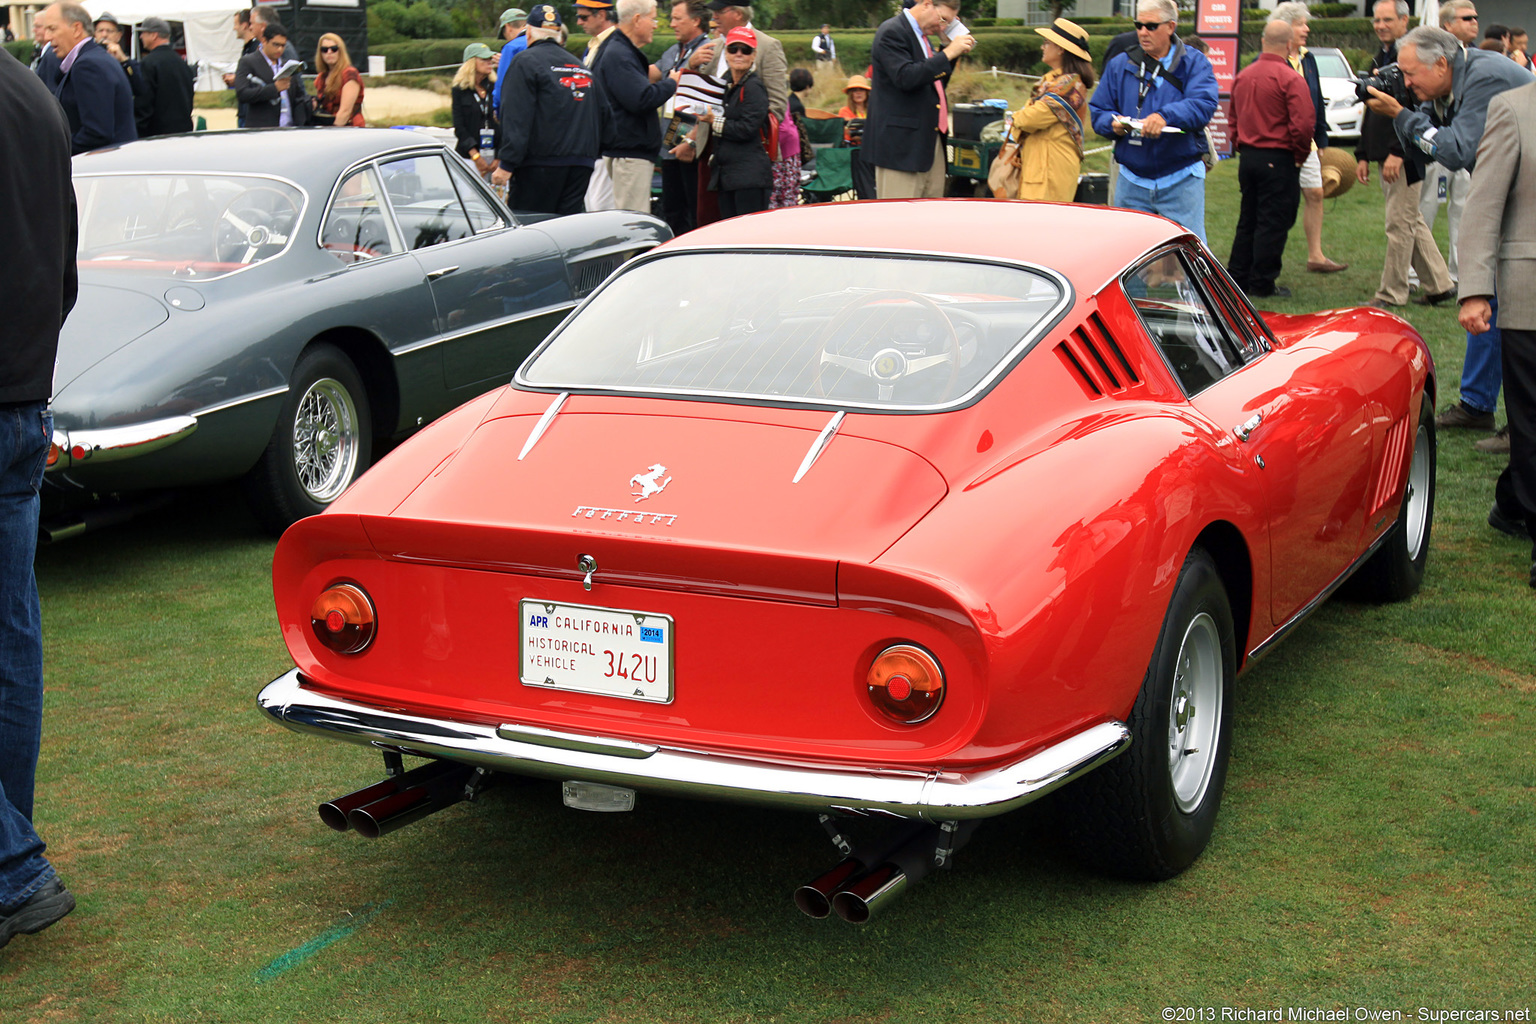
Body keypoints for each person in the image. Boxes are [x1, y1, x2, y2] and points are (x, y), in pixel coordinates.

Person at [0, 44, 78, 953]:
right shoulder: (33, 95)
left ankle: (12, 863)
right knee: (11, 641)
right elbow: (63, 271)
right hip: (23, 400)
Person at [1366, 25, 1531, 442]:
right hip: (1507, 189)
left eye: (1410, 74)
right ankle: (1478, 406)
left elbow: (1457, 150)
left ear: (1442, 63)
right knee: (1488, 299)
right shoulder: (1457, 76)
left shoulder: (1485, 77)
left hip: (1523, 202)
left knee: (1514, 310)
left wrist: (1402, 115)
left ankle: (1521, 422)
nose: (1406, 83)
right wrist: (1409, 107)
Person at [1456, 80, 1536, 584]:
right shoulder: (1513, 110)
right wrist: (1475, 289)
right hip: (1528, 294)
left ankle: (1512, 501)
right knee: (1530, 422)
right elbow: (1483, 207)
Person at [1088, 0, 1217, 243]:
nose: (1143, 32)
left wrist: (1166, 115)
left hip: (1181, 177)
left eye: (1151, 26)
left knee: (1191, 259)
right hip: (1131, 178)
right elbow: (1098, 110)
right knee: (1127, 259)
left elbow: (1204, 104)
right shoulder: (1120, 64)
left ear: (1170, 26)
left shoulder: (1195, 63)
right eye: (1139, 25)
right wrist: (1112, 123)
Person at [1356, 0, 1456, 311]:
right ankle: (1440, 285)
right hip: (1389, 152)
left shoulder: (1414, 59)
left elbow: (1420, 110)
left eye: (1387, 20)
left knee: (1399, 224)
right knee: (1410, 220)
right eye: (1377, 20)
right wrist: (1362, 153)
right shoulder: (1385, 56)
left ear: (1404, 21)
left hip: (1404, 154)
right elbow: (1373, 109)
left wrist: (1398, 153)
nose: (1381, 25)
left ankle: (1392, 292)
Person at [1226, 21, 1313, 299]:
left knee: (1248, 217)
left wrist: (1242, 145)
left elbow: (1233, 119)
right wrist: (1300, 155)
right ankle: (1262, 281)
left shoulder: (1243, 75)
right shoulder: (1289, 78)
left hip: (1249, 156)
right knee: (1272, 220)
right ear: (1289, 45)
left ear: (1262, 41)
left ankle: (1239, 275)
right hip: (1278, 157)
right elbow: (1303, 125)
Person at [493, 5, 606, 216]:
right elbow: (605, 116)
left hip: (539, 164)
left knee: (532, 229)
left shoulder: (524, 62)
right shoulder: (581, 67)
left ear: (528, 33)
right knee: (565, 231)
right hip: (581, 163)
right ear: (558, 35)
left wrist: (507, 163)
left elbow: (517, 116)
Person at [862, 0, 974, 199]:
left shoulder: (923, 37)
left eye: (948, 23)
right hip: (900, 149)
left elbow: (933, 85)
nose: (942, 26)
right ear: (927, 4)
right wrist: (948, 53)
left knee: (929, 219)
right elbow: (905, 78)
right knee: (899, 219)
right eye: (943, 19)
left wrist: (947, 47)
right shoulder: (892, 31)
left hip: (929, 142)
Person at [1272, 2, 1346, 274]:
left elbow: (1317, 100)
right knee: (1281, 202)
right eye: (1302, 23)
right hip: (1280, 146)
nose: (1307, 28)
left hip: (1309, 143)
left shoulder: (1309, 58)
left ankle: (1316, 255)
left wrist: (1322, 137)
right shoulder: (1273, 59)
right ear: (1286, 28)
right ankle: (1270, 259)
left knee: (1315, 193)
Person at [592, 0, 676, 214]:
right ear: (637, 19)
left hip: (626, 153)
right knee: (633, 223)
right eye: (653, 18)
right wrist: (671, 83)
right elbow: (641, 98)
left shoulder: (619, 49)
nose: (655, 25)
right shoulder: (619, 53)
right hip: (629, 155)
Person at [1005, 18, 1095, 203]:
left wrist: (1016, 117)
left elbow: (1030, 119)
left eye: (1047, 42)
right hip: (1040, 167)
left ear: (1061, 49)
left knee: (1042, 226)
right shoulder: (1054, 80)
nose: (1042, 47)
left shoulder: (1068, 86)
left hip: (1050, 171)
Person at [36, 2, 137, 154]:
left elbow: (97, 133)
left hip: (102, 168)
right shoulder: (93, 58)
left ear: (76, 28)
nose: (47, 37)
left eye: (52, 29)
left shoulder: (88, 65)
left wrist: (52, 150)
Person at [656, 0, 712, 233]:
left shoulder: (709, 50)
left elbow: (711, 99)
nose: (672, 24)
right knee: (672, 208)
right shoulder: (674, 50)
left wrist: (692, 139)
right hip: (670, 138)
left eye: (678, 18)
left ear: (696, 21)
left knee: (693, 210)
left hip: (691, 137)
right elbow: (655, 73)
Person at [708, 26, 771, 218]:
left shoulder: (754, 87)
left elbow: (747, 128)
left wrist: (714, 122)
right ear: (725, 53)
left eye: (745, 50)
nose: (739, 54)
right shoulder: (723, 84)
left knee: (751, 237)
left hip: (749, 178)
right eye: (733, 49)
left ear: (753, 55)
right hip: (727, 176)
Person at [236, 21, 309, 128]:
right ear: (264, 41)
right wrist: (274, 89)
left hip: (290, 128)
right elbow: (242, 93)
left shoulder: (287, 65)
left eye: (283, 45)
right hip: (263, 130)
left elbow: (298, 96)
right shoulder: (248, 61)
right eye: (276, 44)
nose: (279, 49)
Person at [135, 16, 194, 137]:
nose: (141, 37)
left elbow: (144, 102)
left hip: (157, 135)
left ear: (154, 35)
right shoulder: (181, 63)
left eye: (144, 33)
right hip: (183, 132)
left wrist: (139, 130)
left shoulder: (149, 63)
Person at [451, 43, 499, 178]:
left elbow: (505, 122)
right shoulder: (460, 90)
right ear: (471, 63)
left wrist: (500, 157)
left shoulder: (496, 87)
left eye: (490, 59)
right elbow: (459, 126)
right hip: (468, 156)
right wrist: (476, 156)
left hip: (496, 157)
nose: (489, 62)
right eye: (484, 59)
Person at [311, 32, 364, 127]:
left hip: (350, 127)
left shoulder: (350, 74)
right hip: (329, 127)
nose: (329, 52)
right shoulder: (321, 77)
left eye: (334, 49)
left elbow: (345, 112)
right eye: (324, 50)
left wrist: (333, 133)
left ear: (341, 51)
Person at [222, 9, 259, 127]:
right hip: (243, 111)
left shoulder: (256, 49)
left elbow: (258, 77)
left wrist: (237, 79)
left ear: (244, 26)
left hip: (250, 113)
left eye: (235, 24)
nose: (234, 28)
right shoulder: (247, 49)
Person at [92, 11, 141, 100]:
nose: (104, 35)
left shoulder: (125, 61)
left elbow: (139, 88)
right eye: (100, 31)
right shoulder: (88, 57)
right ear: (95, 34)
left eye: (109, 31)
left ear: (118, 36)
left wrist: (124, 60)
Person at [490, 8, 527, 111]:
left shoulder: (511, 48)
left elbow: (502, 85)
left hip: (520, 110)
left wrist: (497, 109)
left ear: (508, 27)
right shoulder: (544, 42)